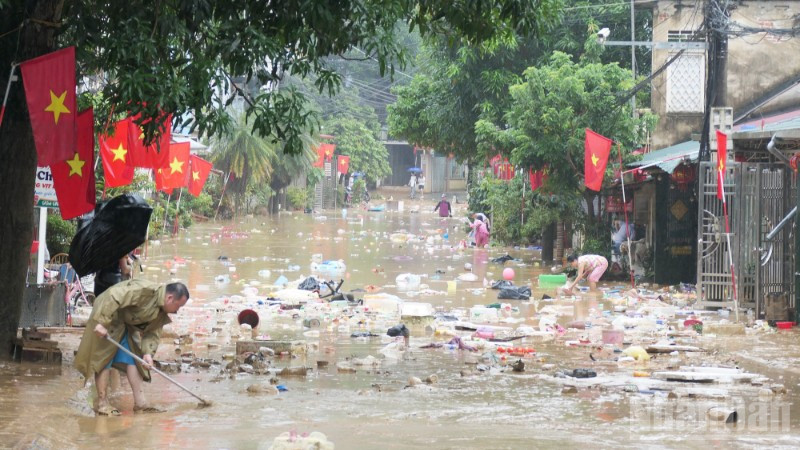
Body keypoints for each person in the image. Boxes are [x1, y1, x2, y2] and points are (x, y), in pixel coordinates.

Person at [75, 279, 190, 415]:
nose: (177, 311)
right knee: (103, 358)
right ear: (170, 298)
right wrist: (102, 322)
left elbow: (152, 333)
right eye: (178, 306)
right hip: (108, 313)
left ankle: (140, 403)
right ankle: (102, 403)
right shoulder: (144, 291)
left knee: (134, 360)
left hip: (125, 323)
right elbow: (113, 295)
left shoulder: (162, 311)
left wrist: (148, 354)